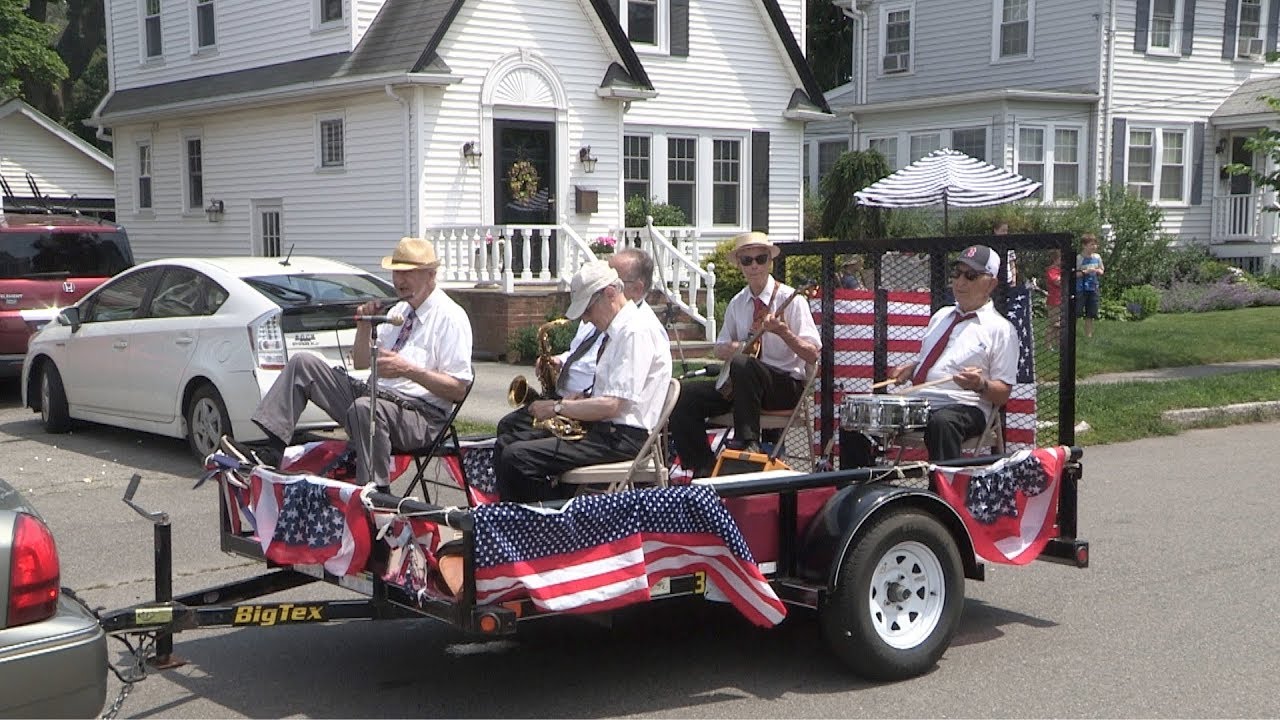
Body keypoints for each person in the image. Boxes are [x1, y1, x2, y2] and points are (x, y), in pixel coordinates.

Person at [249, 237, 473, 489]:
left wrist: (408, 370)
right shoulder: (399, 311)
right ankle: (271, 452)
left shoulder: (450, 317)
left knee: (365, 408)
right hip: (375, 397)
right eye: (396, 272)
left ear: (430, 275)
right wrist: (364, 325)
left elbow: (457, 389)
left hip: (421, 416)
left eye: (408, 273)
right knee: (303, 363)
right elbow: (361, 361)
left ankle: (375, 495)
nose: (399, 281)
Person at [495, 260, 672, 502]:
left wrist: (557, 407)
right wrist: (582, 400)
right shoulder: (620, 330)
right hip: (608, 431)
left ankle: (549, 524)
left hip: (624, 438)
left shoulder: (634, 331)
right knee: (507, 442)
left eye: (588, 310)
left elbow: (612, 406)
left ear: (610, 293)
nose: (586, 320)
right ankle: (539, 516)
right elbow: (614, 397)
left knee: (517, 457)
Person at [840, 244, 1019, 466]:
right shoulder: (941, 316)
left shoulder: (1001, 329)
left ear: (991, 284)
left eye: (971, 276)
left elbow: (1003, 394)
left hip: (966, 406)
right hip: (921, 404)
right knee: (858, 415)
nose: (960, 282)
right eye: (957, 273)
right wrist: (914, 368)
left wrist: (980, 384)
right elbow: (937, 361)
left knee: (942, 423)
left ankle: (943, 496)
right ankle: (856, 492)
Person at [669, 232, 821, 479]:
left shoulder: (792, 300)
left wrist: (784, 332)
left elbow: (812, 354)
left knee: (743, 365)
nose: (754, 266)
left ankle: (748, 443)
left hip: (782, 386)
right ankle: (703, 466)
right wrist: (735, 347)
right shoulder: (737, 302)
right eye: (747, 260)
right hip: (742, 387)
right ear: (739, 264)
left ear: (769, 262)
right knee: (682, 394)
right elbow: (719, 348)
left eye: (760, 259)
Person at [1077, 233, 1104, 339]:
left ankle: (1088, 335)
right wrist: (1085, 272)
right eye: (1091, 244)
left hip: (1093, 288)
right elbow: (1073, 274)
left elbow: (1102, 270)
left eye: (1095, 244)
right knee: (1077, 311)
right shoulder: (1079, 258)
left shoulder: (1097, 257)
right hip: (1081, 288)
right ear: (1084, 245)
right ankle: (1071, 334)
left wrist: (1097, 271)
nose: (1094, 247)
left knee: (1091, 313)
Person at [1045, 248, 1063, 352]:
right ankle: (1048, 345)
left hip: (1062, 299)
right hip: (1054, 300)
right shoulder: (1051, 270)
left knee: (1060, 324)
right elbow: (1058, 282)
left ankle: (1058, 344)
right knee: (1054, 324)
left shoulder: (1061, 270)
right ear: (1056, 259)